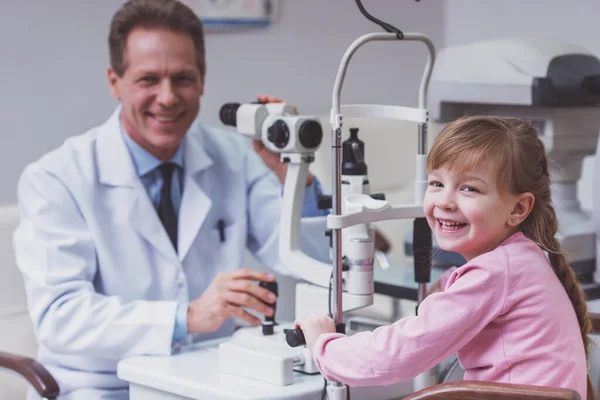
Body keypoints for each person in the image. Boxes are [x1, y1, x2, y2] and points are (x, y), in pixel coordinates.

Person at [12, 0, 377, 398]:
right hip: (100, 386)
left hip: (204, 377)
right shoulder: (56, 178)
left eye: (182, 79)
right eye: (148, 79)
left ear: (202, 81)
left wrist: (294, 176)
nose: (167, 97)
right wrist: (186, 317)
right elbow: (60, 317)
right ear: (114, 81)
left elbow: (318, 266)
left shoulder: (234, 157)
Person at [295, 115, 594, 400]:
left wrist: (326, 346)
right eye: (436, 183)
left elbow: (400, 352)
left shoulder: (495, 273)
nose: (445, 201)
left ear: (517, 209)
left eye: (469, 188)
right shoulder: (520, 258)